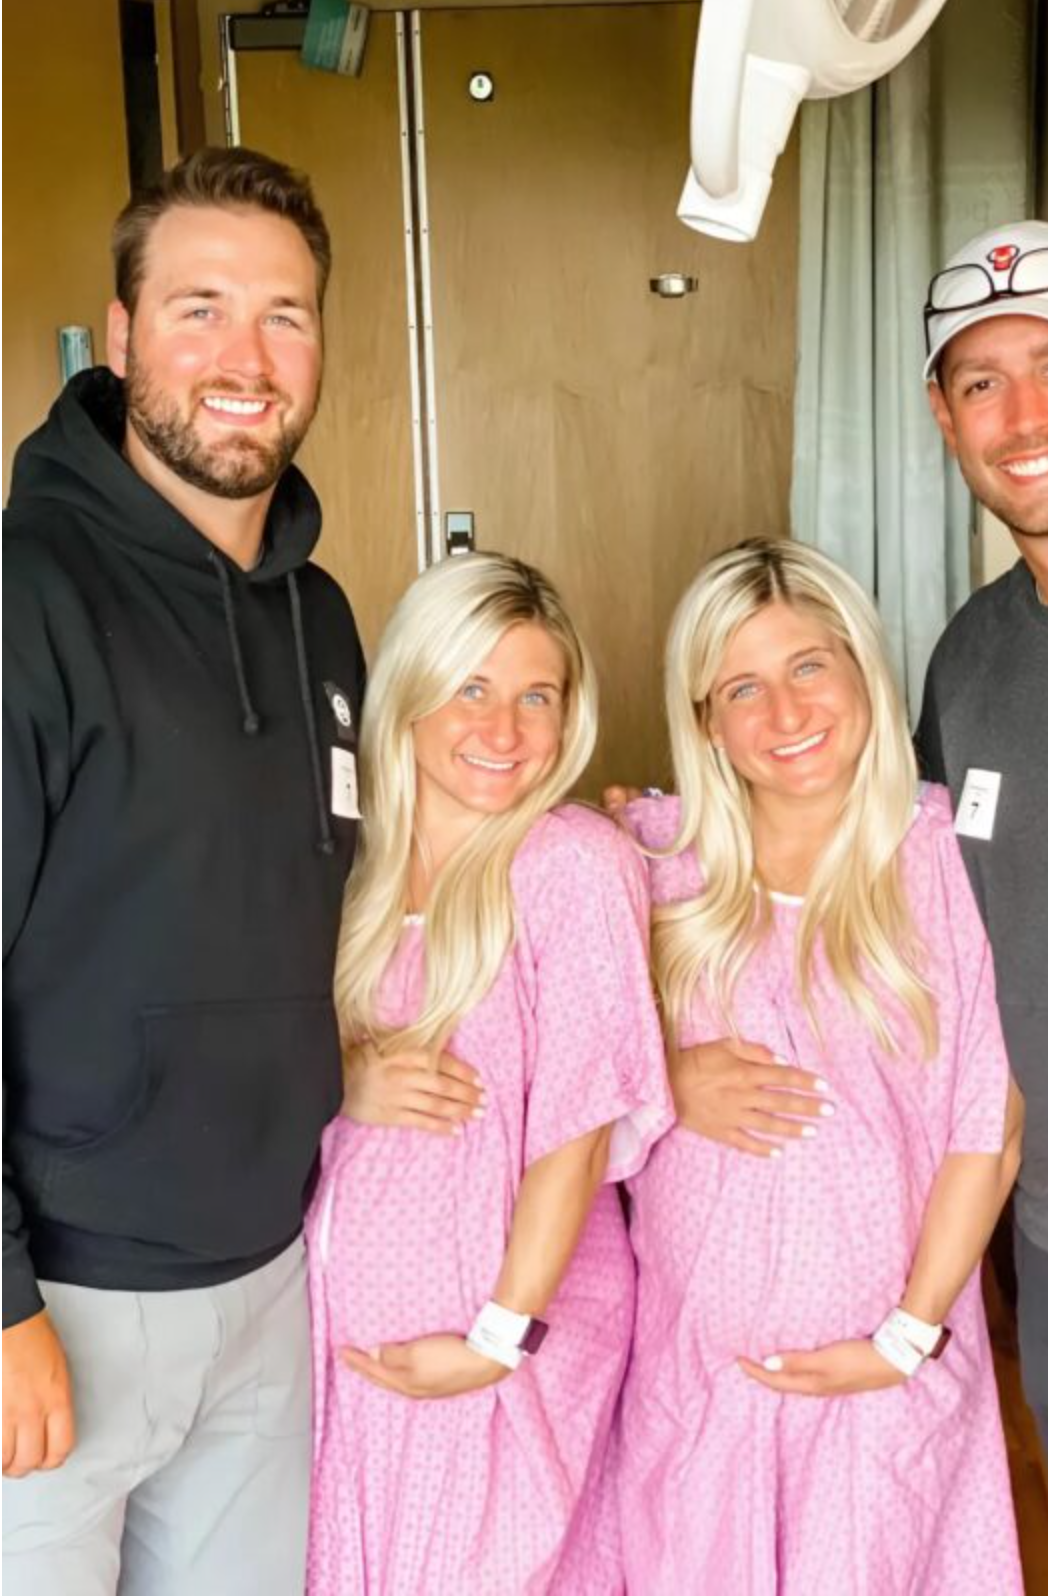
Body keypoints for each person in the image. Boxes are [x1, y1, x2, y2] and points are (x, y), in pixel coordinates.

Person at [2, 148, 364, 1595]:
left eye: (283, 315)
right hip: (63, 1303)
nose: (244, 358)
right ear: (123, 332)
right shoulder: (25, 595)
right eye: (199, 308)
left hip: (271, 1281)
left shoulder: (321, 617)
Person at [614, 538, 1025, 1594]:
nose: (785, 713)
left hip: (883, 1385)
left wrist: (905, 1339)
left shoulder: (945, 855)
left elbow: (986, 1125)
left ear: (861, 668)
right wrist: (664, 1079)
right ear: (704, 718)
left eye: (807, 666)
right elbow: (546, 1083)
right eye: (741, 687)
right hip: (697, 1387)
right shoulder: (646, 862)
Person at [304, 552, 671, 1595]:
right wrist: (342, 1077)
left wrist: (499, 1338)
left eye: (535, 697)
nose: (503, 730)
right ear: (412, 690)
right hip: (340, 1350)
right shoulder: (345, 863)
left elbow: (577, 1133)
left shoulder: (567, 864)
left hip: (505, 1340)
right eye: (471, 687)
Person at [916, 219, 1048, 1592]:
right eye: (982, 383)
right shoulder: (970, 663)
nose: (1025, 416)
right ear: (943, 419)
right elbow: (907, 925)